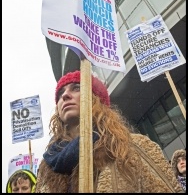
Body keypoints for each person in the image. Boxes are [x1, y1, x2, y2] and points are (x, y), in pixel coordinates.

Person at [35, 70, 183, 193]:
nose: (65, 95)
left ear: (96, 100)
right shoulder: (46, 168)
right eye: (61, 93)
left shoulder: (134, 146)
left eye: (76, 88)